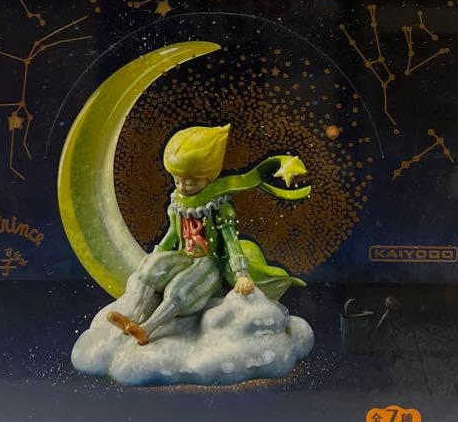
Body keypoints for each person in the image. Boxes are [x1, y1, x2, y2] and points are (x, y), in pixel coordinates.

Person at [106, 124, 310, 345]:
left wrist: (241, 274)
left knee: (180, 289)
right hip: (185, 256)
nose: (182, 186)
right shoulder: (178, 204)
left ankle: (147, 328)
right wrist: (157, 256)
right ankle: (131, 316)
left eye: (190, 181)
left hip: (210, 263)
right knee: (150, 269)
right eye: (177, 179)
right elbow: (172, 235)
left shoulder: (219, 207)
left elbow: (231, 242)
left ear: (208, 178)